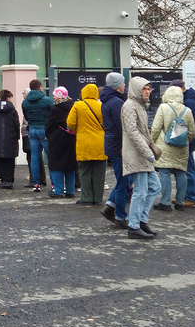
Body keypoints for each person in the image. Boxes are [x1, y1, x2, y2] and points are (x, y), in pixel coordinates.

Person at [121, 76, 161, 239]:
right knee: (141, 191)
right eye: (145, 88)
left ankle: (140, 221)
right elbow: (132, 132)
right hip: (137, 154)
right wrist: (148, 152)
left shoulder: (138, 105)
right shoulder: (130, 105)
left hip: (142, 154)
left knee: (154, 187)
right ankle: (134, 225)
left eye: (149, 88)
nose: (148, 91)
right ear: (137, 89)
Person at [151, 85, 195, 211]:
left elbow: (156, 128)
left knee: (164, 173)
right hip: (182, 147)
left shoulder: (163, 107)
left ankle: (165, 202)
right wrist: (185, 141)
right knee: (181, 174)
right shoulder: (187, 110)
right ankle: (180, 202)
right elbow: (191, 131)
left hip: (164, 145)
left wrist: (152, 142)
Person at [100, 72, 132, 228]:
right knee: (123, 183)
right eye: (123, 83)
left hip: (113, 145)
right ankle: (120, 216)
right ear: (118, 85)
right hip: (120, 146)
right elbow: (123, 128)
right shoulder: (117, 103)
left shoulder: (108, 100)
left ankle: (110, 207)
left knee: (124, 180)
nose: (124, 85)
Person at [66, 83, 107, 205]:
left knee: (84, 171)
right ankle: (98, 197)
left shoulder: (78, 105)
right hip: (100, 142)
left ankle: (86, 197)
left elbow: (70, 123)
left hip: (84, 141)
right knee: (99, 172)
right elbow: (107, 123)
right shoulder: (101, 106)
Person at [21, 79, 55, 192]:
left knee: (34, 157)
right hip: (45, 130)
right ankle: (54, 184)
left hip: (32, 130)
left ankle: (36, 183)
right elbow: (53, 115)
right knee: (50, 157)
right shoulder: (47, 100)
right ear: (40, 87)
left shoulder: (25, 102)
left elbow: (26, 116)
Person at [45, 87, 78, 197]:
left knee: (56, 165)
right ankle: (70, 191)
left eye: (54, 95)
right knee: (70, 165)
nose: (53, 97)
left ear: (59, 96)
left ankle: (58, 191)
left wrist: (48, 135)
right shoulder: (74, 106)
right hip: (72, 138)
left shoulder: (56, 108)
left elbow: (50, 124)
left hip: (57, 139)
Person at [176, 80, 195, 207]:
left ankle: (191, 197)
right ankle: (186, 196)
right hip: (187, 140)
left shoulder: (188, 102)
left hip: (187, 140)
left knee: (189, 169)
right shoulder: (190, 100)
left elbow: (187, 123)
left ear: (181, 89)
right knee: (187, 168)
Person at [0, 88, 21, 189]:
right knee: (10, 159)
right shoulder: (12, 110)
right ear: (8, 98)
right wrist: (17, 136)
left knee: (0, 160)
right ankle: (10, 180)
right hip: (10, 137)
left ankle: (4, 180)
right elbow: (16, 124)